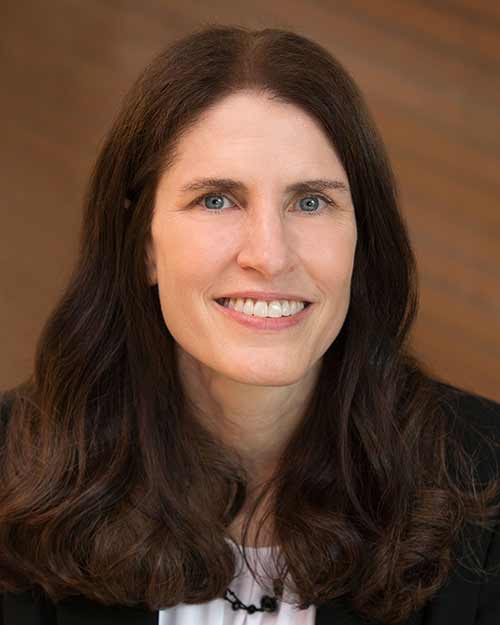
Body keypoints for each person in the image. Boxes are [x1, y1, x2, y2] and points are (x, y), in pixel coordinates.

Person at [0, 24, 499, 625]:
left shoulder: (487, 482)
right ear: (143, 246)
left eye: (311, 202)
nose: (270, 254)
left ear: (362, 241)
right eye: (217, 199)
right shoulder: (11, 476)